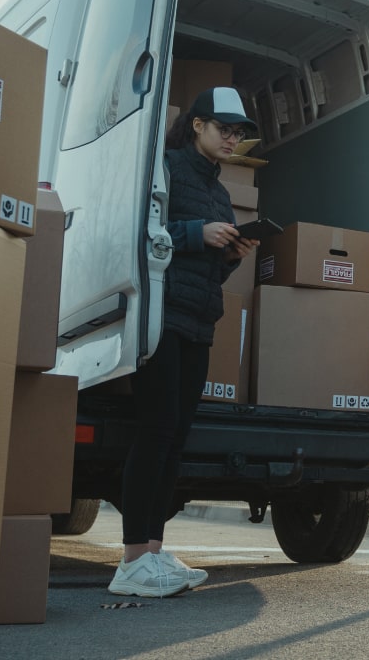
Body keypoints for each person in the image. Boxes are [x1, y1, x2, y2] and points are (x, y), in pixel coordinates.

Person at [108, 87, 260, 597]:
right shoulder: (166, 169)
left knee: (176, 436)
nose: (232, 139)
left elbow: (210, 270)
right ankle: (131, 562)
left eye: (238, 133)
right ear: (197, 125)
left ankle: (152, 552)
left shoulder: (220, 193)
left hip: (199, 321)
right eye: (224, 129)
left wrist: (231, 253)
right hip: (160, 316)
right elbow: (136, 233)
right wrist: (198, 233)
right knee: (156, 430)